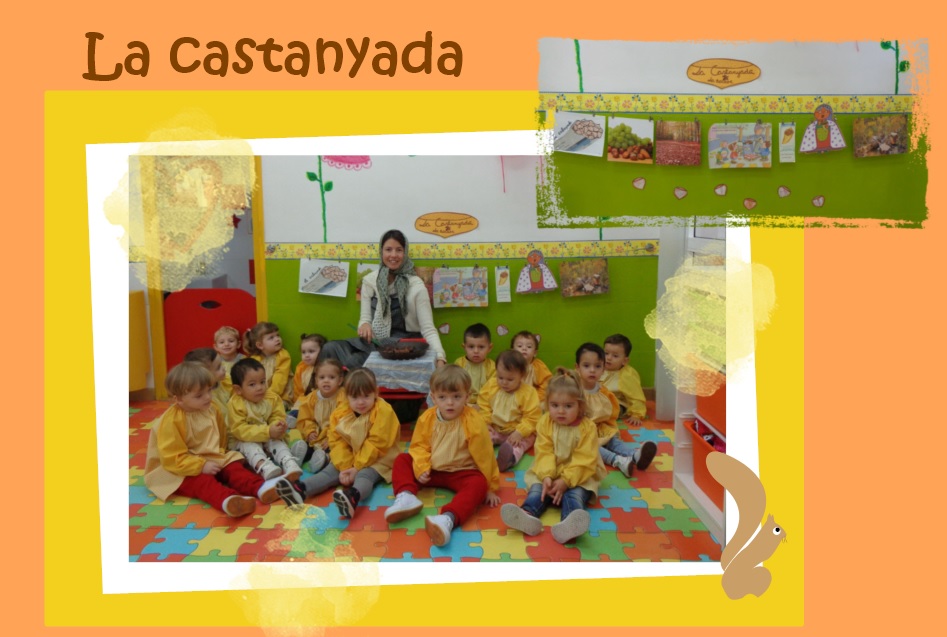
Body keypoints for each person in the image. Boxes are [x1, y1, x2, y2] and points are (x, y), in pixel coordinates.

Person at [144, 362, 302, 517]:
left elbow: (221, 436)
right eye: (199, 395)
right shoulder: (171, 421)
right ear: (178, 399)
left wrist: (220, 457)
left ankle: (260, 488)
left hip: (211, 457)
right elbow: (172, 457)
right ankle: (228, 500)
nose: (208, 397)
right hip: (180, 468)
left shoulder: (212, 408)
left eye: (209, 390)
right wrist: (201, 465)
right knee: (202, 483)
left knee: (234, 468)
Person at [384, 365, 501, 546]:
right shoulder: (427, 418)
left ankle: (447, 518)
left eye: (457, 397)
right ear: (433, 398)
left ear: (467, 396)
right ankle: (406, 496)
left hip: (461, 472)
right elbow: (419, 446)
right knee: (402, 460)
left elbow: (486, 455)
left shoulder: (474, 421)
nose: (450, 403)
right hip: (432, 470)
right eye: (443, 397)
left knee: (478, 483)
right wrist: (422, 467)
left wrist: (490, 486)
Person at [500, 369, 607, 544]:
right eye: (555, 405)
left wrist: (566, 481)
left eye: (568, 406)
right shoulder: (545, 422)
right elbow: (544, 451)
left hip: (579, 475)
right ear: (547, 404)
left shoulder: (587, 428)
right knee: (537, 490)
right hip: (548, 470)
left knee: (575, 495)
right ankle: (527, 514)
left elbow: (585, 460)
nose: (561, 411)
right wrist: (547, 476)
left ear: (580, 406)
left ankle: (569, 524)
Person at [320, 229, 447, 369]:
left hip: (404, 345)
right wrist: (365, 325)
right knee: (330, 348)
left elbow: (428, 329)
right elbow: (365, 319)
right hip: (375, 342)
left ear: (405, 253)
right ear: (381, 252)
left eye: (399, 250)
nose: (393, 255)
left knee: (355, 360)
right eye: (388, 249)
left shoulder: (416, 285)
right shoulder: (370, 281)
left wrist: (440, 357)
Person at [286, 369, 401, 520]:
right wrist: (345, 466)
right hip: (352, 454)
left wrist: (357, 468)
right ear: (347, 397)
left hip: (380, 457)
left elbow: (377, 443)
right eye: (355, 397)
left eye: (366, 396)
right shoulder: (341, 412)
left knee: (365, 475)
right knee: (330, 471)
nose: (361, 402)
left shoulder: (384, 411)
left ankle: (353, 497)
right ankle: (301, 489)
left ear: (376, 393)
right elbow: (337, 441)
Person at [574, 343, 656, 478]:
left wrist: (609, 427)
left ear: (603, 369)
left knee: (612, 441)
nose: (592, 370)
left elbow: (611, 412)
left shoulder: (603, 391)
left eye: (598, 366)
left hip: (600, 428)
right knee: (590, 447)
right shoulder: (574, 390)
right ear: (577, 368)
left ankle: (634, 455)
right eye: (586, 366)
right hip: (580, 431)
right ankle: (618, 461)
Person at [227, 358, 303, 481]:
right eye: (252, 384)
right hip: (243, 440)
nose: (260, 388)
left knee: (277, 440)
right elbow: (239, 430)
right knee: (250, 446)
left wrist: (277, 425)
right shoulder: (235, 404)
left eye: (262, 382)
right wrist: (267, 431)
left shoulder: (271, 398)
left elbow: (277, 415)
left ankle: (288, 462)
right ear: (238, 389)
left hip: (267, 436)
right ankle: (264, 466)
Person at [477, 349, 541, 472]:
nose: (504, 382)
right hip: (495, 427)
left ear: (522, 376)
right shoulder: (492, 385)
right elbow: (483, 403)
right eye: (500, 377)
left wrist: (520, 432)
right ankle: (479, 456)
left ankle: (509, 459)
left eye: (510, 379)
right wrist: (486, 422)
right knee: (482, 436)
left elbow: (532, 417)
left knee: (520, 445)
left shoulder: (528, 393)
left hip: (516, 431)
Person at [290, 358, 346, 474]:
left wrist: (331, 438)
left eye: (331, 377)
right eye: (322, 377)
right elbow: (305, 418)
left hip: (334, 435)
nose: (326, 381)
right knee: (309, 444)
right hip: (318, 433)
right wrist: (309, 431)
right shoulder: (312, 397)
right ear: (316, 380)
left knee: (335, 449)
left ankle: (324, 459)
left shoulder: (342, 397)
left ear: (340, 380)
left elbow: (344, 421)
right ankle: (302, 455)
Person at [601, 333, 647, 425]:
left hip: (616, 403)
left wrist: (636, 414)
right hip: (598, 399)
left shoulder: (627, 375)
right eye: (606, 353)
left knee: (609, 411)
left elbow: (636, 396)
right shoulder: (598, 367)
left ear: (625, 361)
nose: (608, 358)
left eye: (615, 356)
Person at [244, 321, 293, 405]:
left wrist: (270, 395)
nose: (277, 339)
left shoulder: (283, 355)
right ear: (260, 345)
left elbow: (280, 378)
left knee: (278, 406)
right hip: (261, 394)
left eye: (278, 335)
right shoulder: (254, 359)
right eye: (271, 338)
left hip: (281, 394)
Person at [454, 322, 495, 407]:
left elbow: (492, 390)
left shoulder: (492, 366)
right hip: (463, 402)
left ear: (489, 348)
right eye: (471, 347)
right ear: (464, 347)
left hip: (484, 404)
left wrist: (481, 404)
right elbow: (454, 387)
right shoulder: (459, 364)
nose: (476, 351)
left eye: (481, 347)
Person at [183, 347, 229, 418]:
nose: (224, 368)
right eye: (218, 367)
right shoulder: (204, 398)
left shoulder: (225, 381)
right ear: (204, 374)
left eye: (221, 364)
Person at [512, 330, 552, 404]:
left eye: (529, 347)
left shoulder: (538, 366)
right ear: (512, 351)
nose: (524, 348)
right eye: (520, 346)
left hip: (532, 399)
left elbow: (546, 383)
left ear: (535, 353)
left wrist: (536, 397)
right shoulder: (508, 364)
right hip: (512, 397)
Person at [213, 325, 245, 397]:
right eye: (222, 342)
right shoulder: (214, 362)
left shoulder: (244, 361)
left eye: (231, 341)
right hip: (221, 395)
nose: (226, 344)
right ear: (216, 347)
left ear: (238, 344)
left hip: (238, 394)